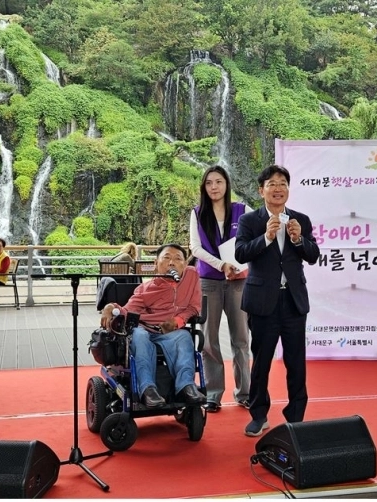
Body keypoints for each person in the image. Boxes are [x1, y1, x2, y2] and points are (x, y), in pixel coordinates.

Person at [235, 164, 320, 437]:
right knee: (261, 363)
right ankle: (259, 415)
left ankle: (295, 417)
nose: (278, 188)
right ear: (261, 190)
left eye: (283, 183)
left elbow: (313, 255)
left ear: (288, 189)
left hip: (293, 302)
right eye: (272, 184)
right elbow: (240, 254)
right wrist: (266, 237)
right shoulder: (250, 221)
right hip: (263, 302)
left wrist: (298, 239)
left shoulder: (300, 220)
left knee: (296, 363)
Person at [100, 243, 207, 408]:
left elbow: (194, 307)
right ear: (156, 263)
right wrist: (110, 307)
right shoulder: (146, 289)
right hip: (145, 329)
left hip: (170, 331)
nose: (172, 263)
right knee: (139, 336)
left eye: (178, 259)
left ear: (185, 264)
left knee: (184, 336)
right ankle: (147, 389)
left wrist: (178, 321)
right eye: (166, 258)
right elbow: (127, 311)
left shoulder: (191, 276)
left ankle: (186, 386)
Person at [189, 165, 252, 413]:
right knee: (209, 340)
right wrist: (220, 264)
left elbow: (257, 238)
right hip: (209, 281)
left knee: (241, 338)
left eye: (218, 182)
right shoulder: (197, 213)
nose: (214, 187)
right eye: (209, 183)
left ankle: (245, 393)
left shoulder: (242, 210)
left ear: (227, 184)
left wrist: (242, 263)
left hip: (238, 281)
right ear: (203, 187)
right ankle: (213, 394)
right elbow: (195, 248)